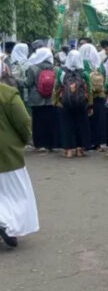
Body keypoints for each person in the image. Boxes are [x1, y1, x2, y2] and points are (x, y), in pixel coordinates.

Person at [0, 82, 39, 248]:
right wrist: (24, 139)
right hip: (7, 151)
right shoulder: (7, 94)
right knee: (16, 194)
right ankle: (6, 222)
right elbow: (23, 121)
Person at [53, 50, 93, 158]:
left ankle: (68, 150)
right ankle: (80, 149)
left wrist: (55, 101)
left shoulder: (62, 72)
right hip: (81, 104)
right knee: (81, 125)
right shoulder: (84, 73)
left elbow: (57, 87)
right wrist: (90, 104)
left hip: (65, 103)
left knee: (66, 125)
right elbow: (89, 89)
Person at [24, 48, 61, 150]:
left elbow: (28, 83)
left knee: (38, 123)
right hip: (51, 99)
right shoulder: (56, 69)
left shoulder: (32, 68)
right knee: (51, 122)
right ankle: (51, 144)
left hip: (37, 100)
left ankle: (40, 144)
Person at [80, 43, 108, 151]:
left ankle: (87, 142)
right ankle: (98, 142)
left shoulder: (82, 63)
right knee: (98, 120)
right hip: (100, 96)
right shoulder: (99, 65)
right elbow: (105, 79)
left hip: (86, 96)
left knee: (87, 120)